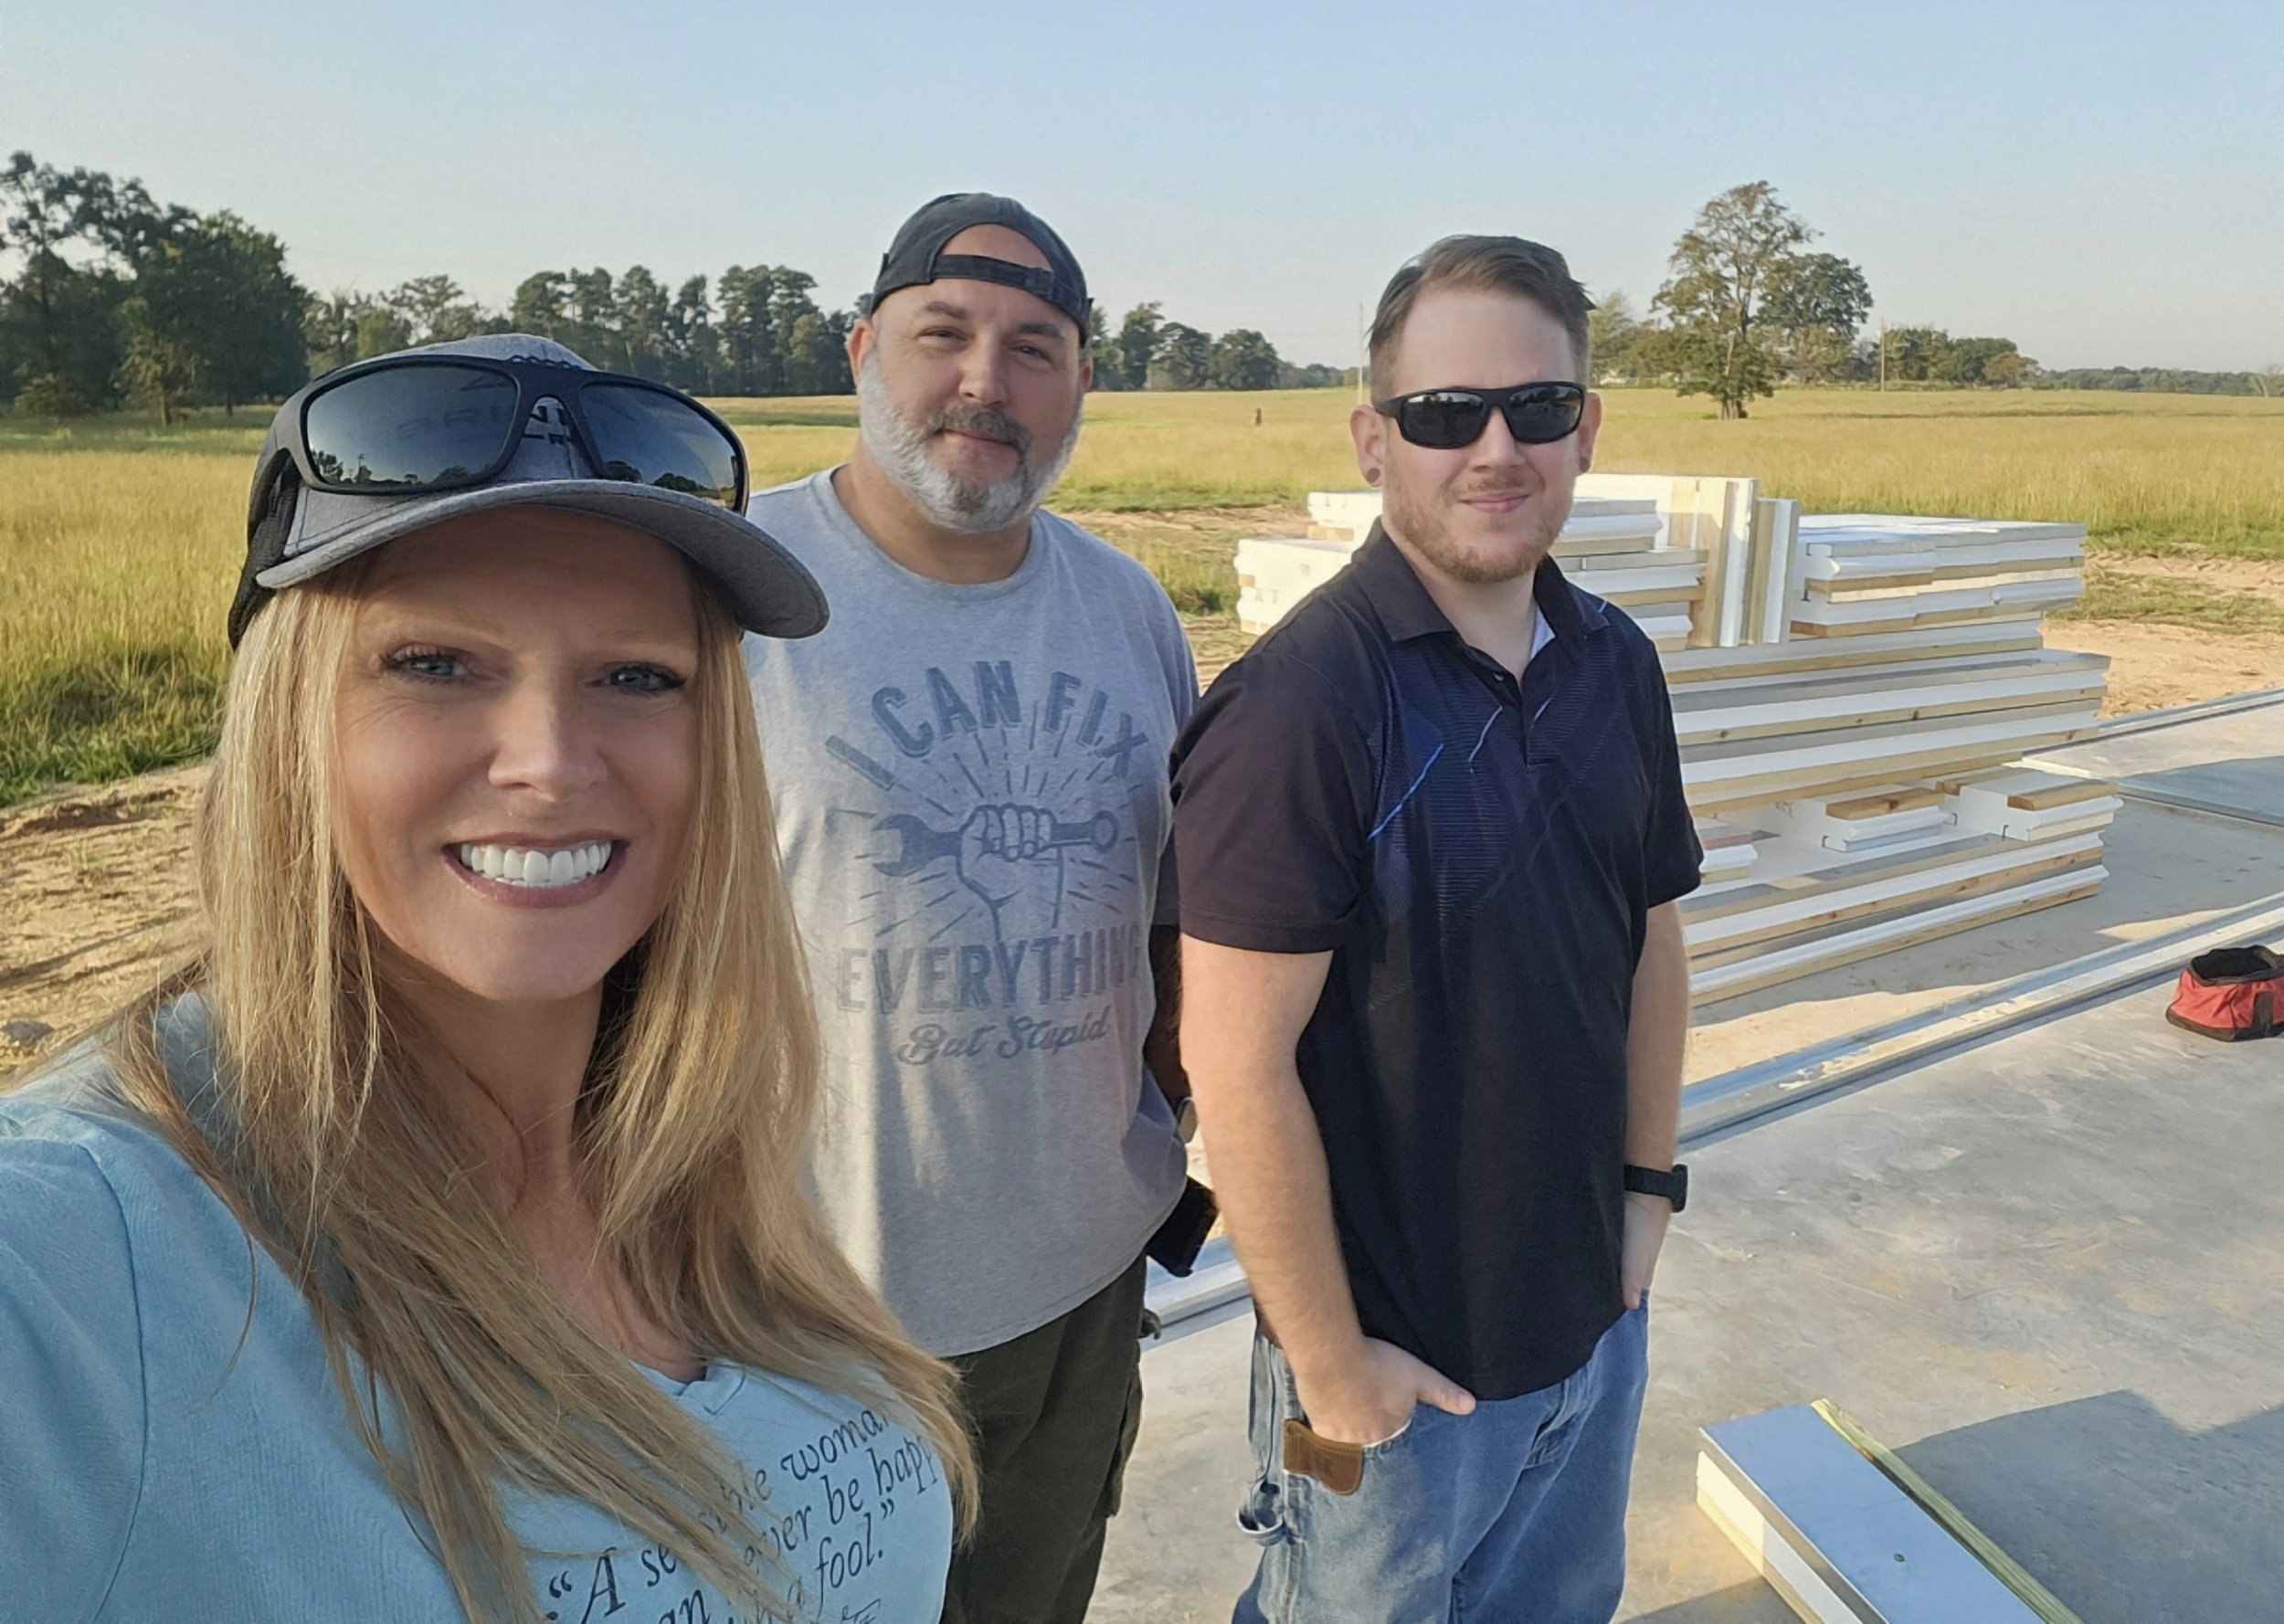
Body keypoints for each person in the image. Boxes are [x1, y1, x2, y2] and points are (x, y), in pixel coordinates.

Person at [0, 336, 971, 1624]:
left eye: (636, 677)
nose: (551, 764)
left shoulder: (705, 1155)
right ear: (293, 716)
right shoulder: (87, 1264)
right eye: (436, 664)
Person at [1169, 237, 1701, 1623]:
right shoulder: (1302, 710)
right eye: (1445, 414)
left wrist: (1647, 1199)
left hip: (1591, 1322)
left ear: (1586, 428)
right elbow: (1237, 1067)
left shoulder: (1614, 664)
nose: (1494, 449)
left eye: (1535, 408)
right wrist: (1334, 1368)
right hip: (1395, 1375)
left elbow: (1649, 941)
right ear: (1373, 439)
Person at [743, 195, 1197, 1623]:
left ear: (1078, 389)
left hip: (1080, 1292)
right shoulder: (724, 597)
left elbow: (1179, 929)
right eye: (945, 336)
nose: (986, 382)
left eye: (1036, 348)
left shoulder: (1131, 617)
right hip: (804, 1315)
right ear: (867, 350)